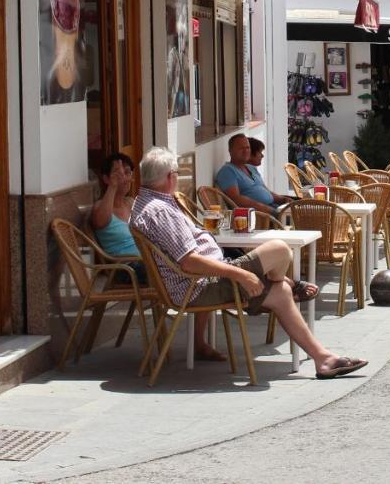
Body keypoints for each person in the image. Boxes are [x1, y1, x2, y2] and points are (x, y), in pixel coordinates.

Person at [131, 146, 367, 379]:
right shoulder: (161, 211)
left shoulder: (147, 202)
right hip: (199, 286)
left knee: (280, 290)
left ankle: (323, 358)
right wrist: (240, 275)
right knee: (280, 249)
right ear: (170, 177)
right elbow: (189, 262)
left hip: (201, 281)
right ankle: (287, 284)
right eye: (177, 174)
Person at [87, 153, 225, 362]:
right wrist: (113, 188)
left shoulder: (135, 203)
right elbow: (99, 221)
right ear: (106, 179)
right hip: (128, 268)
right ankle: (198, 343)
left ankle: (199, 343)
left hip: (150, 260)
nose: (124, 177)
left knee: (201, 268)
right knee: (197, 271)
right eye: (116, 173)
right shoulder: (100, 207)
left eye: (127, 172)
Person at [215, 134, 293, 213]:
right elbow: (236, 200)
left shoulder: (251, 168)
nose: (246, 151)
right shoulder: (228, 171)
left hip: (273, 208)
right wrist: (268, 210)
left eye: (248, 147)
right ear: (231, 150)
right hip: (260, 216)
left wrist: (283, 200)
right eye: (241, 148)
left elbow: (266, 191)